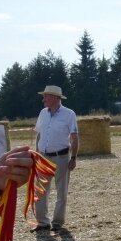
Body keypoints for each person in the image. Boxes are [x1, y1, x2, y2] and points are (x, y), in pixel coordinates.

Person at [33, 85, 78, 233]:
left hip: (62, 157)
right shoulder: (42, 113)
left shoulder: (69, 114)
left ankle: (57, 222)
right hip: (43, 158)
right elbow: (38, 135)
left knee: (61, 191)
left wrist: (74, 158)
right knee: (40, 191)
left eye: (46, 96)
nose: (43, 99)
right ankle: (42, 222)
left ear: (55, 98)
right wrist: (36, 154)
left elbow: (74, 137)